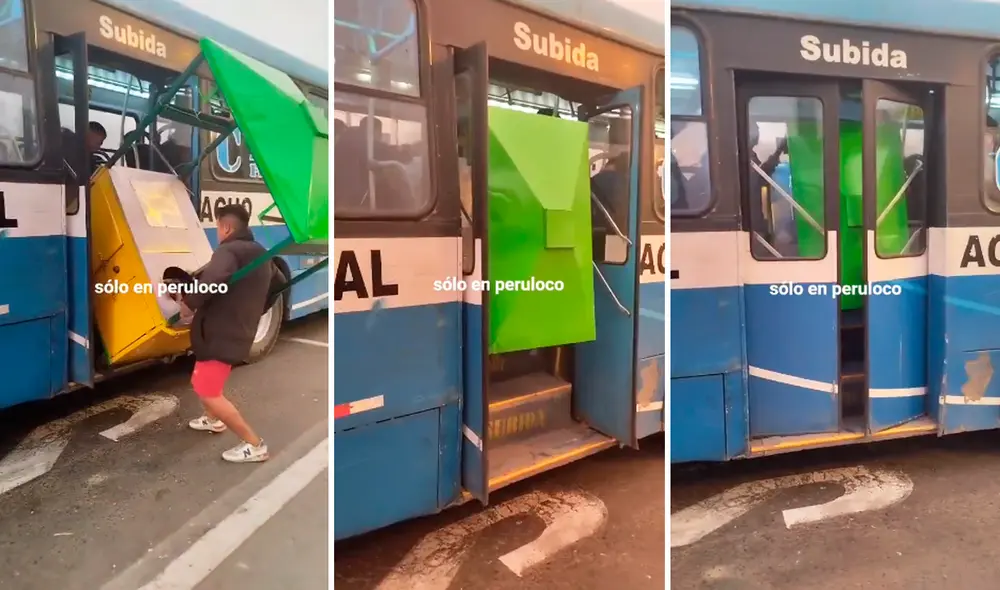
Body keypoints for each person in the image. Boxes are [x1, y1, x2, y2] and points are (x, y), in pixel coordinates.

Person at [171, 204, 284, 463]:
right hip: (235, 329)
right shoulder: (261, 253)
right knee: (202, 379)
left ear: (226, 227)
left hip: (220, 333)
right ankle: (213, 420)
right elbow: (277, 284)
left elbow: (210, 281)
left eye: (218, 227)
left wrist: (187, 303)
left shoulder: (229, 250)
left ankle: (254, 444)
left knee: (207, 389)